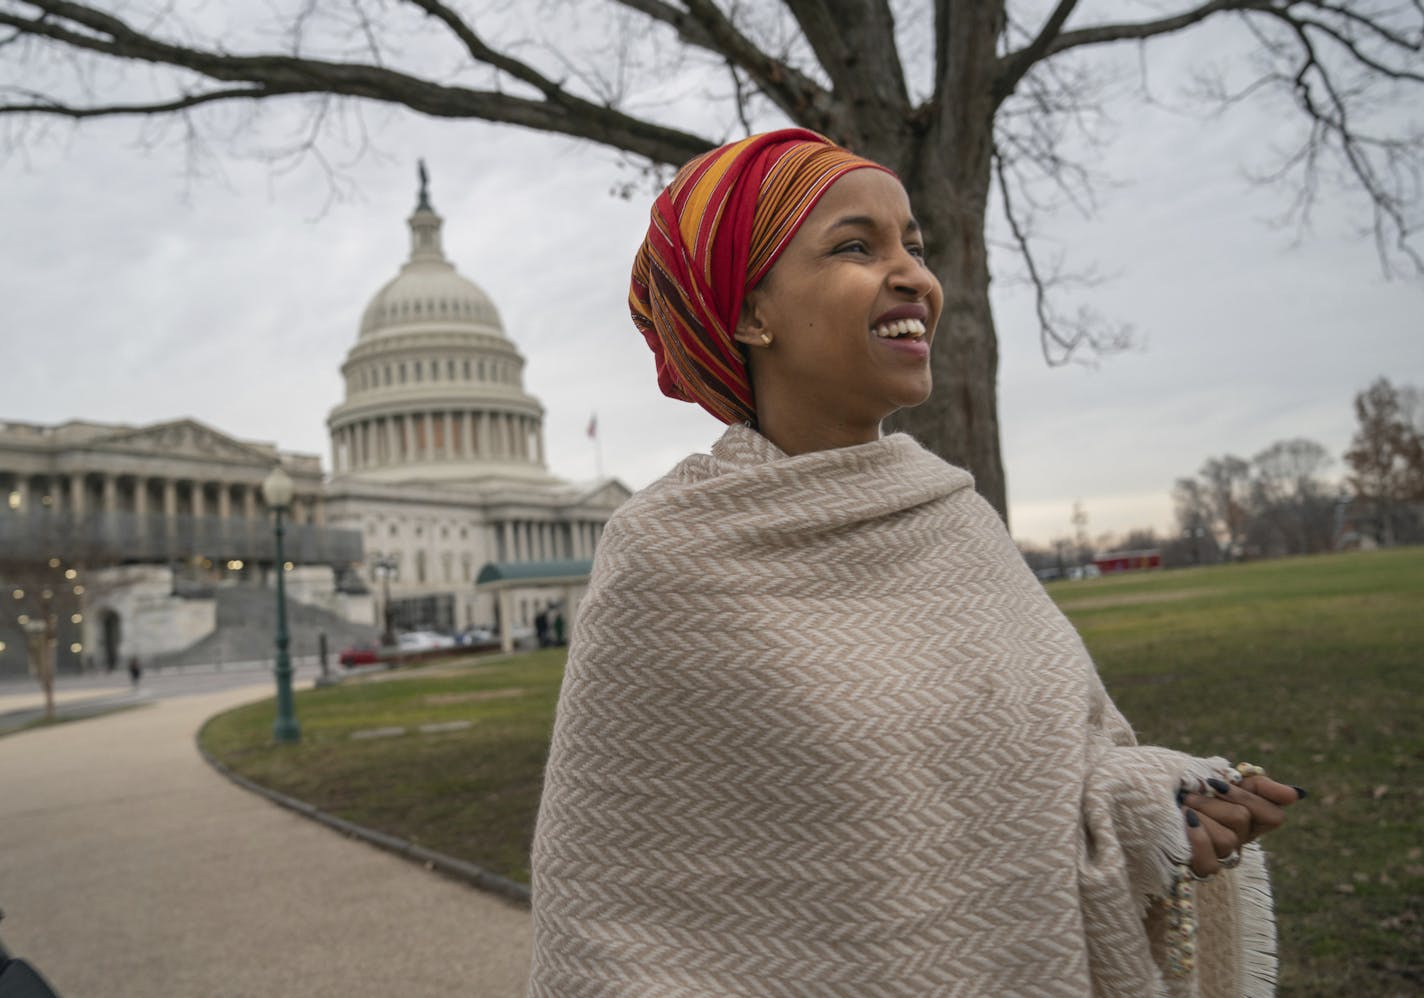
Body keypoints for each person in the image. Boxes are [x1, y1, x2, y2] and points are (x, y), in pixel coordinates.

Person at [527, 129, 1303, 997]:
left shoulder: (956, 519)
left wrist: (1157, 811)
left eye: (916, 247)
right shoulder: (667, 559)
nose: (915, 278)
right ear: (750, 313)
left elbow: (1061, 766)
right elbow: (605, 909)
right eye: (856, 246)